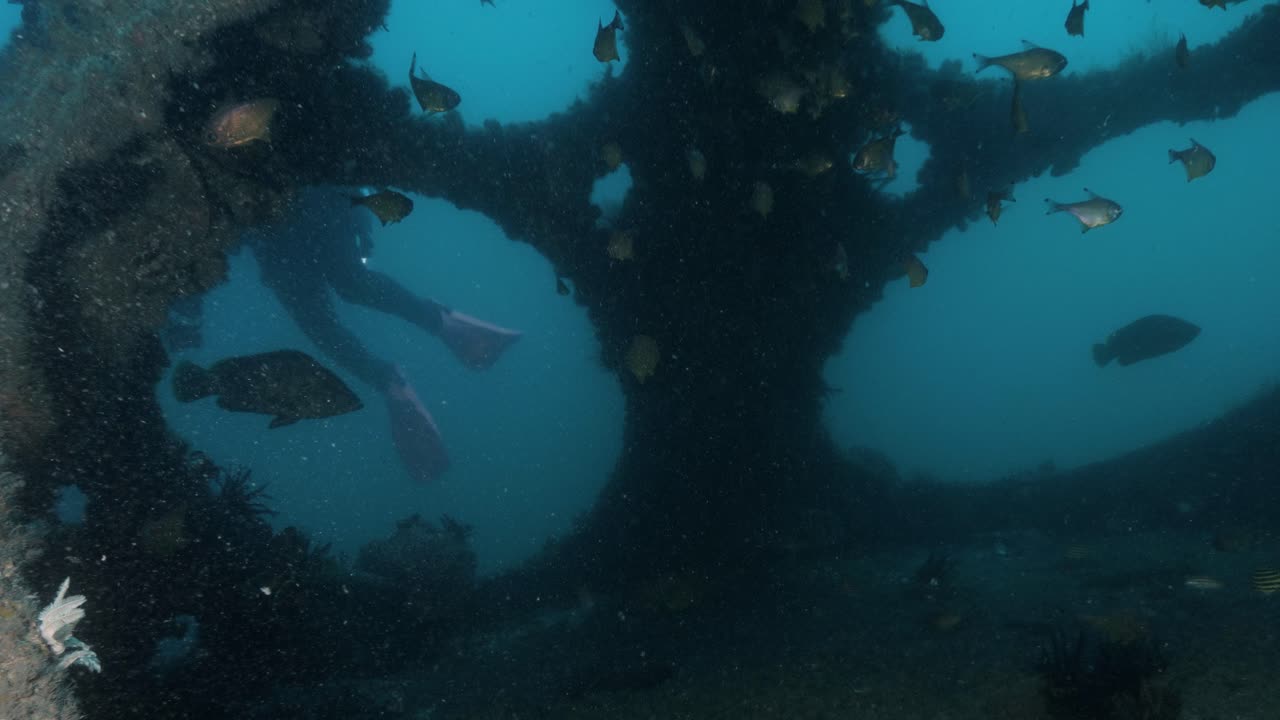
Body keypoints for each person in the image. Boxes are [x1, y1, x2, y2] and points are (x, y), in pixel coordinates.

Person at [246, 186, 521, 481]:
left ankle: (417, 345)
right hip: (280, 222)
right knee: (331, 307)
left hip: (297, 209)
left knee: (337, 298)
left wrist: (361, 216)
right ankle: (411, 353)